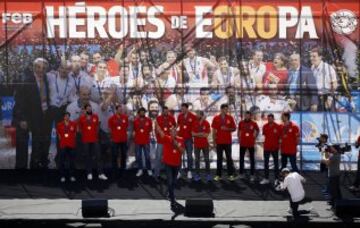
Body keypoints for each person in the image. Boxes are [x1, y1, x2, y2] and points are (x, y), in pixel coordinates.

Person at [13, 58, 52, 169]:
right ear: (34, 67)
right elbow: (19, 100)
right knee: (22, 146)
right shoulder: (26, 80)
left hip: (40, 117)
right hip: (26, 117)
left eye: (44, 68)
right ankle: (21, 171)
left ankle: (35, 168)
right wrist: (22, 119)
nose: (41, 70)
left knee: (37, 144)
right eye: (38, 67)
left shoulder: (46, 79)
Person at [78, 104, 108, 181]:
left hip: (95, 140)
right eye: (87, 108)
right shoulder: (81, 118)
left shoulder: (95, 117)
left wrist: (95, 134)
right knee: (88, 157)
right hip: (86, 140)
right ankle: (89, 173)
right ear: (85, 110)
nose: (89, 109)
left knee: (99, 156)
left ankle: (100, 174)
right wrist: (85, 135)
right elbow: (79, 130)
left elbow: (98, 127)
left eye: (90, 108)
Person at [158, 127, 185, 208]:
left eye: (175, 132)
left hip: (177, 164)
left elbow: (182, 151)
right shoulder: (166, 138)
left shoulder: (181, 139)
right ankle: (172, 200)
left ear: (176, 133)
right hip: (168, 164)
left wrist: (177, 145)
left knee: (173, 182)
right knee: (170, 181)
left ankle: (170, 193)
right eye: (172, 132)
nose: (173, 133)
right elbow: (161, 132)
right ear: (170, 133)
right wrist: (156, 123)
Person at [212, 104, 236, 181]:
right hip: (219, 141)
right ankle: (218, 175)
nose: (226, 110)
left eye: (227, 109)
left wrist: (227, 129)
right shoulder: (216, 118)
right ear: (221, 109)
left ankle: (231, 175)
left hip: (227, 141)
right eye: (225, 109)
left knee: (229, 158)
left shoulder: (230, 117)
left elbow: (234, 128)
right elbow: (213, 131)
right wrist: (214, 141)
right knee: (219, 159)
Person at [154, 106, 177, 179]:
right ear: (162, 111)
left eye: (167, 111)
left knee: (169, 158)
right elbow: (156, 129)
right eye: (164, 111)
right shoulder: (158, 118)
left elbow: (174, 128)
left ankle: (169, 174)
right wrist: (160, 133)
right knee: (158, 158)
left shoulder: (172, 118)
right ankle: (156, 174)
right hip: (160, 141)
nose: (166, 112)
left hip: (169, 142)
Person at [320, 134, 342, 206]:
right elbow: (328, 158)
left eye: (332, 148)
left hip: (333, 174)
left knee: (333, 190)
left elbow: (327, 163)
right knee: (336, 189)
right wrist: (325, 153)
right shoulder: (337, 155)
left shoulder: (334, 156)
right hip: (335, 174)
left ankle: (335, 203)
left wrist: (323, 159)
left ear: (335, 149)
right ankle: (338, 202)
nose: (331, 149)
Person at [177, 103, 197, 179]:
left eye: (184, 108)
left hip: (189, 139)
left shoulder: (193, 116)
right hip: (181, 139)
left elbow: (195, 127)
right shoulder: (179, 116)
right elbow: (177, 126)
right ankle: (179, 172)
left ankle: (189, 171)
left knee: (189, 156)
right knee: (179, 156)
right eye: (181, 109)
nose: (182, 110)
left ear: (187, 108)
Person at [238, 111, 259, 182]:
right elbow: (239, 131)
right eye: (246, 115)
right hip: (242, 143)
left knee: (252, 160)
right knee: (241, 159)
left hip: (250, 144)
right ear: (244, 116)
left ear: (250, 116)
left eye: (248, 115)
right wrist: (239, 138)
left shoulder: (254, 123)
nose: (247, 116)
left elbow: (257, 130)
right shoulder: (241, 123)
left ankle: (252, 175)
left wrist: (254, 136)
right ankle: (241, 173)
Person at [260, 113, 281, 185]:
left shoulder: (278, 126)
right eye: (268, 119)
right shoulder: (265, 126)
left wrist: (279, 145)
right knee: (266, 163)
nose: (269, 120)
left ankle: (276, 179)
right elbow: (263, 136)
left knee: (276, 164)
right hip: (267, 148)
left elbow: (280, 138)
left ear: (273, 119)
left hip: (275, 148)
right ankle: (266, 178)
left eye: (271, 119)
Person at [56, 112, 77, 183]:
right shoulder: (59, 125)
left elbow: (75, 134)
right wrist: (63, 141)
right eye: (65, 116)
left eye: (68, 116)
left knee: (72, 162)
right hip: (63, 145)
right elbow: (59, 135)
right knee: (62, 161)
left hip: (71, 145)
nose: (67, 117)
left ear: (69, 117)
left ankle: (72, 176)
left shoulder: (73, 124)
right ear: (63, 117)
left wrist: (70, 140)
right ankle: (62, 176)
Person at [108, 104, 129, 175]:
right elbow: (110, 129)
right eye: (119, 110)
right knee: (114, 155)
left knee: (123, 155)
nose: (121, 111)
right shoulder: (111, 118)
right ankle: (115, 170)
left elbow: (126, 126)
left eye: (121, 110)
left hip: (123, 139)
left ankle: (123, 169)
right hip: (115, 140)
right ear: (116, 110)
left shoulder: (125, 117)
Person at [192, 110, 211, 182]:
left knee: (206, 159)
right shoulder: (194, 123)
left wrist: (197, 134)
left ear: (201, 115)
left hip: (205, 144)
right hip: (196, 144)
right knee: (197, 160)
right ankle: (197, 174)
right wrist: (200, 134)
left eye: (198, 114)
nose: (196, 115)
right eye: (196, 114)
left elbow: (206, 134)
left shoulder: (206, 123)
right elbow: (192, 134)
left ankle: (208, 174)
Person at [133, 107, 153, 177]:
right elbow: (134, 130)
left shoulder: (149, 120)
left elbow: (150, 129)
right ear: (139, 113)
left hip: (146, 141)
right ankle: (140, 169)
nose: (142, 113)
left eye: (143, 112)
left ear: (145, 113)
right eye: (141, 112)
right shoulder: (135, 121)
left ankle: (149, 169)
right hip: (138, 141)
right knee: (138, 156)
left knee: (147, 156)